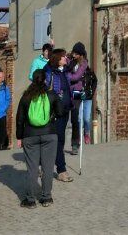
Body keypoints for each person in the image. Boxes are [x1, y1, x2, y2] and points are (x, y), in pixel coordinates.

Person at [15, 69, 57, 208]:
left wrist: (19, 136)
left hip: (30, 135)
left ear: (33, 79)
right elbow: (62, 110)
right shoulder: (51, 94)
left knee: (32, 169)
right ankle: (46, 198)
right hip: (50, 134)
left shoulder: (26, 96)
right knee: (48, 167)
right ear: (45, 79)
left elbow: (20, 119)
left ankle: (31, 200)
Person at [43, 49, 74, 182]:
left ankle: (47, 164)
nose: (65, 58)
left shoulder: (65, 71)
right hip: (56, 111)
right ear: (57, 59)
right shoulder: (51, 72)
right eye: (63, 57)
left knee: (60, 139)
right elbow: (46, 72)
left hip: (66, 109)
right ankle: (61, 170)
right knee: (58, 139)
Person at [67, 43, 92, 153]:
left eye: (76, 53)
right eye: (73, 52)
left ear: (81, 55)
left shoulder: (84, 63)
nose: (74, 55)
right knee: (70, 118)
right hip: (69, 92)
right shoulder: (70, 61)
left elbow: (77, 76)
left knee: (76, 118)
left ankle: (75, 144)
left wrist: (67, 76)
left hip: (78, 91)